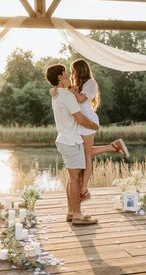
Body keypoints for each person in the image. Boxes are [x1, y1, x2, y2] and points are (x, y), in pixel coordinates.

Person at [58, 59, 129, 202]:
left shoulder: (91, 83)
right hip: (79, 122)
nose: (72, 74)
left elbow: (79, 100)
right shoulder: (77, 84)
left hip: (87, 121)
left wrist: (69, 87)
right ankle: (113, 146)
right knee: (85, 153)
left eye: (73, 71)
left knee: (86, 156)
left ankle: (84, 188)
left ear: (80, 70)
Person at [45, 63, 99, 225]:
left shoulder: (56, 94)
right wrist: (94, 126)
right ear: (61, 77)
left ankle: (71, 212)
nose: (69, 75)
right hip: (71, 141)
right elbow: (80, 118)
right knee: (75, 179)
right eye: (66, 73)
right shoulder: (67, 95)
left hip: (64, 139)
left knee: (72, 178)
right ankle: (77, 214)